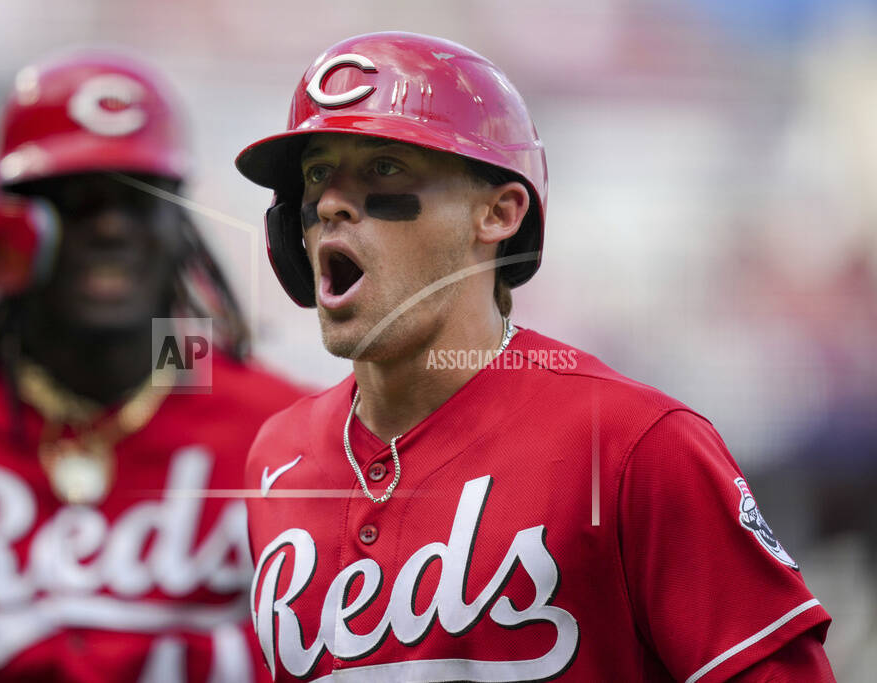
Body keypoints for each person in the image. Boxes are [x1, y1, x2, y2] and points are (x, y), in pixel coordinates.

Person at [234, 32, 835, 682]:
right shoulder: (278, 457)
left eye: (384, 167)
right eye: (318, 173)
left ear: (500, 212)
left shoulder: (633, 446)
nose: (328, 203)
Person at [0, 50, 304, 682]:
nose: (111, 228)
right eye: (74, 201)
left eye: (138, 199)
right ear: (2, 227)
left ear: (180, 225)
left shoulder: (288, 436)